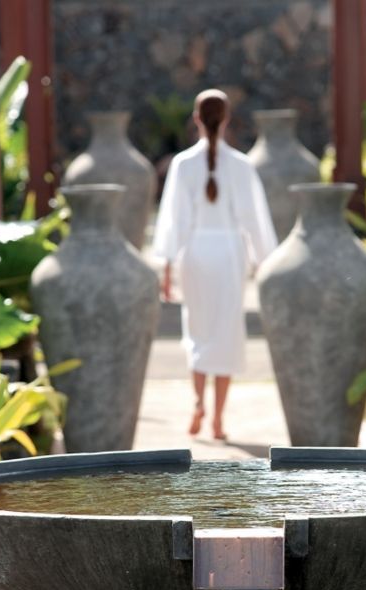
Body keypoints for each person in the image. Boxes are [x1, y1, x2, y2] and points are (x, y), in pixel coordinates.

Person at [153, 89, 277, 440]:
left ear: (196, 119)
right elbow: (256, 220)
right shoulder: (241, 165)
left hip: (194, 252)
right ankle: (219, 419)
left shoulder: (182, 165)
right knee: (226, 332)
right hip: (228, 253)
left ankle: (198, 402)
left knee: (197, 329)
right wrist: (265, 261)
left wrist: (165, 266)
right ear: (225, 120)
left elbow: (172, 220)